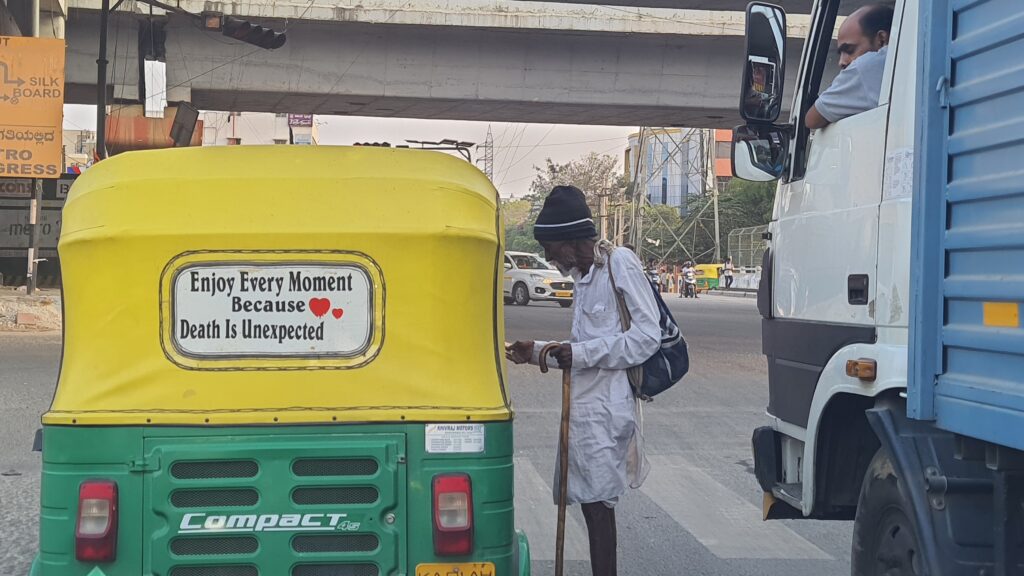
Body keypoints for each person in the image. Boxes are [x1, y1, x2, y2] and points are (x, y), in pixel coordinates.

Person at [507, 185, 660, 576]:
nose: (548, 257)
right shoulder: (583, 277)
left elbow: (647, 337)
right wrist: (537, 351)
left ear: (572, 240)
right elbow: (582, 350)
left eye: (551, 247)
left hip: (607, 411)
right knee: (589, 505)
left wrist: (583, 353)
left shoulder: (618, 263)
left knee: (598, 508)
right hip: (583, 407)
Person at [805, 3, 894, 129]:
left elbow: (812, 120)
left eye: (850, 50)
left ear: (882, 39)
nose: (841, 62)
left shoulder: (867, 66)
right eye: (841, 53)